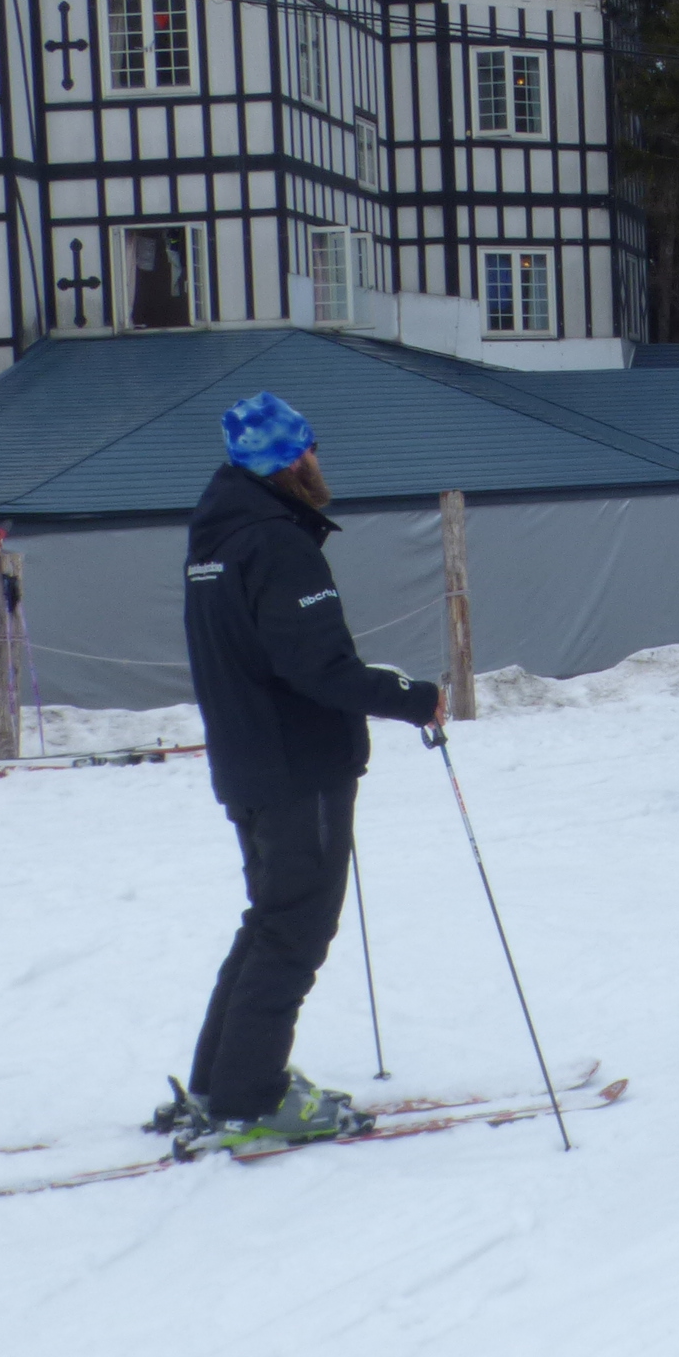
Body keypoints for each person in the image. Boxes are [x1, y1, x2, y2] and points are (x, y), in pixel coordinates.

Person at [171, 392, 445, 1150]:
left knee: (269, 921)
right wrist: (413, 697)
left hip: (248, 759)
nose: (319, 463)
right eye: (312, 450)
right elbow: (316, 665)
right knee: (294, 931)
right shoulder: (278, 543)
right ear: (292, 459)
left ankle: (217, 1082)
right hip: (296, 768)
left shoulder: (216, 537)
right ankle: (249, 1097)